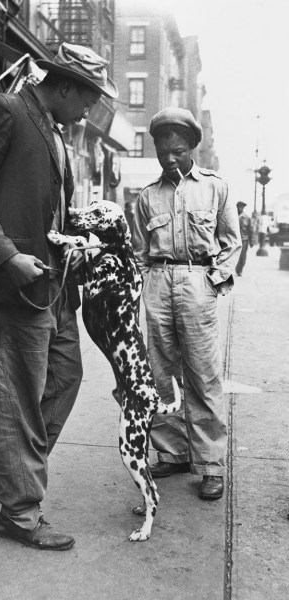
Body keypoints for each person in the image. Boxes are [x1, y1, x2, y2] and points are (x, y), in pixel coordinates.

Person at [0, 43, 118, 550]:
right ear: (64, 86)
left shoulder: (56, 131)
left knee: (65, 376)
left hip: (56, 285)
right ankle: (20, 512)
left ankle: (3, 470)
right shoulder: (5, 110)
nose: (90, 110)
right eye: (87, 99)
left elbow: (48, 208)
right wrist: (4, 255)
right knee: (19, 392)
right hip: (16, 285)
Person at [132, 107, 241, 501]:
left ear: (192, 147)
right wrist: (141, 287)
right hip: (158, 284)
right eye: (163, 152)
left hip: (198, 282)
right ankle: (173, 451)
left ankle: (210, 464)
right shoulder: (146, 197)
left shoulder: (216, 188)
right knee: (160, 373)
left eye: (177, 150)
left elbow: (232, 243)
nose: (170, 158)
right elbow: (140, 252)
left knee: (202, 374)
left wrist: (213, 281)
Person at [235, 201, 254, 276]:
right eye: (239, 206)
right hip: (234, 239)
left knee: (242, 256)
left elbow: (250, 230)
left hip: (244, 239)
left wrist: (251, 241)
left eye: (242, 207)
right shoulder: (233, 216)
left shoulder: (247, 218)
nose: (240, 208)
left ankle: (239, 269)